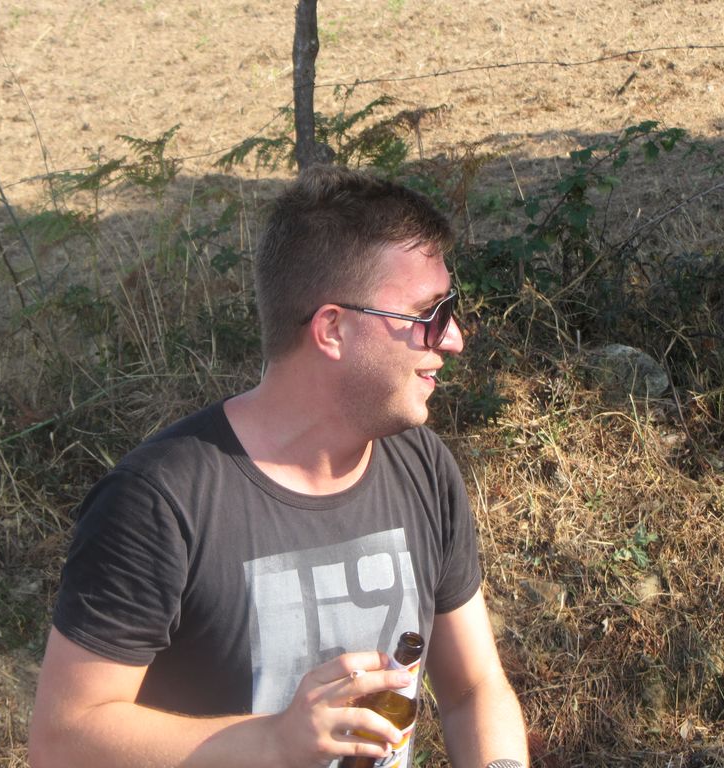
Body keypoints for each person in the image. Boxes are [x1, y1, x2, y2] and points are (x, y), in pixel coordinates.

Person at [28, 165, 530, 768]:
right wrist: (273, 742)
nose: (452, 339)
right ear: (332, 329)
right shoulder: (161, 501)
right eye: (428, 314)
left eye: (450, 308)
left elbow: (474, 689)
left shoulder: (423, 466)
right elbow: (62, 741)